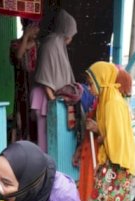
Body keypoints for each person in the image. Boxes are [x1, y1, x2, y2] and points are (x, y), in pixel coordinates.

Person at [84, 61, 135, 201]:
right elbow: (113, 133)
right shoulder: (109, 100)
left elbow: (115, 140)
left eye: (91, 83)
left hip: (115, 165)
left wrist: (97, 129)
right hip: (115, 164)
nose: (89, 88)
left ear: (102, 80)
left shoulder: (112, 102)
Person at [31, 9, 77, 152]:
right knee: (45, 140)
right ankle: (46, 170)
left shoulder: (58, 45)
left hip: (54, 100)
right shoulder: (50, 44)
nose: (72, 38)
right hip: (46, 99)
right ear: (66, 31)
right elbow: (45, 76)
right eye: (71, 34)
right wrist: (53, 103)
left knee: (55, 140)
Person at [10, 19, 40, 143]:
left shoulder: (38, 45)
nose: (37, 30)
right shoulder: (15, 44)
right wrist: (26, 36)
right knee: (21, 116)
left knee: (35, 116)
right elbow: (18, 56)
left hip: (35, 84)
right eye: (35, 27)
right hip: (21, 86)